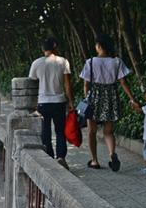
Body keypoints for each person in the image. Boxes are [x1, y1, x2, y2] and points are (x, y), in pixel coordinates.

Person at [80, 34, 139, 171]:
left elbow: (86, 84)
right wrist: (132, 98)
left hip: (94, 97)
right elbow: (123, 82)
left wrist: (87, 98)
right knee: (108, 131)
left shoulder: (90, 62)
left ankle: (94, 161)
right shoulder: (117, 61)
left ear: (99, 46)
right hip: (111, 96)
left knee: (92, 131)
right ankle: (112, 154)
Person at [29, 37, 73, 169]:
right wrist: (71, 101)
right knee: (60, 131)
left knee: (45, 131)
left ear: (43, 49)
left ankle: (49, 157)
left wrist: (33, 104)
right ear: (55, 48)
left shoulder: (36, 63)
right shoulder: (63, 61)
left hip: (43, 102)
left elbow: (32, 83)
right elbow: (67, 84)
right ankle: (61, 157)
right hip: (59, 101)